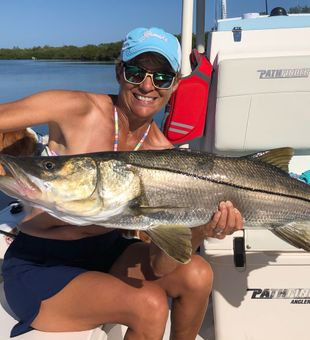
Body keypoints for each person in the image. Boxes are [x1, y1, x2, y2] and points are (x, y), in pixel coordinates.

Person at [0, 27, 243, 340]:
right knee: (150, 305)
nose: (147, 85)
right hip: (40, 262)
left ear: (175, 85)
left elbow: (159, 262)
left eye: (162, 78)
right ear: (119, 71)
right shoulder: (76, 108)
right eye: (135, 72)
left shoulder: (165, 158)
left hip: (108, 254)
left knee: (197, 274)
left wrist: (202, 230)